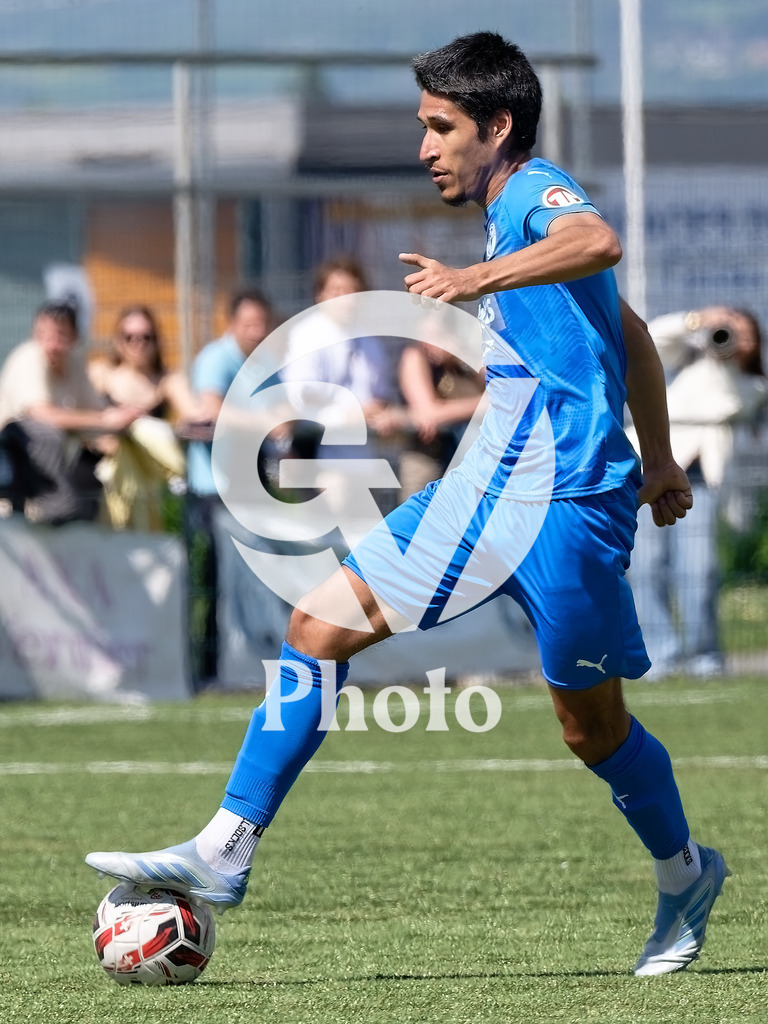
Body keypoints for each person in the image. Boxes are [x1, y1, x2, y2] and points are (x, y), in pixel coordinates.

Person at [86, 32, 729, 977]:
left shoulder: (535, 191)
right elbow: (628, 333)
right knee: (316, 626)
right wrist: (664, 459)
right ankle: (226, 848)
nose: (425, 147)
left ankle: (685, 874)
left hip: (569, 505)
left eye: (441, 126)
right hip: (482, 489)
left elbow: (599, 240)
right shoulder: (506, 217)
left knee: (590, 729)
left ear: (497, 127)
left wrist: (472, 282)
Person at [630, 306, 767, 678]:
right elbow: (650, 337)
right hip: (648, 473)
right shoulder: (689, 361)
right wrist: (697, 321)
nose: (731, 338)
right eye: (728, 331)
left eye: (742, 334)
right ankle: (659, 657)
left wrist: (722, 354)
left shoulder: (752, 387)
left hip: (699, 483)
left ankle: (704, 657)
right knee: (646, 568)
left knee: (699, 569)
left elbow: (723, 400)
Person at [181, 286, 280, 686]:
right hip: (213, 491)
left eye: (262, 323)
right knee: (209, 582)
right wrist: (264, 424)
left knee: (247, 580)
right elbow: (212, 409)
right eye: (249, 323)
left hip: (251, 486)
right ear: (232, 324)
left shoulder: (264, 363)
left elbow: (282, 411)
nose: (257, 331)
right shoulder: (215, 358)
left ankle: (242, 663)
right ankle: (204, 668)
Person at [0, 301, 140, 524]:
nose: (51, 344)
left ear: (75, 337)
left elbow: (96, 412)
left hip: (43, 480)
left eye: (60, 335)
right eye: (43, 334)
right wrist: (105, 421)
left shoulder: (74, 363)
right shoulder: (27, 358)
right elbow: (40, 414)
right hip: (11, 476)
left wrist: (126, 418)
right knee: (47, 436)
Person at [88, 305, 198, 531]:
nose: (137, 344)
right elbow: (82, 416)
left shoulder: (168, 379)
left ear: (156, 340)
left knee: (143, 431)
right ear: (117, 340)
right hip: (103, 469)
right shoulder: (101, 373)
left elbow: (192, 414)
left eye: (146, 337)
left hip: (148, 475)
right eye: (129, 337)